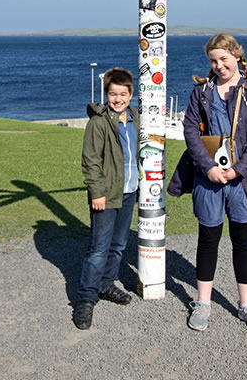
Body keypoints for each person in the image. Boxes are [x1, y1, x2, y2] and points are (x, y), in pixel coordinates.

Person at [168, 34, 247, 333]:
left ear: (236, 57)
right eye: (213, 61)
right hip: (209, 178)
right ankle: (203, 303)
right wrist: (208, 167)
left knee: (243, 242)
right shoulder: (201, 91)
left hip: (245, 180)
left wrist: (238, 169)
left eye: (223, 59)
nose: (218, 65)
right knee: (208, 239)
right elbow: (190, 130)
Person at [74, 67, 139, 330]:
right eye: (113, 94)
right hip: (106, 194)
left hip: (130, 191)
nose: (118, 99)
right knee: (98, 248)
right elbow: (90, 161)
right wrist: (96, 192)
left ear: (131, 94)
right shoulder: (99, 122)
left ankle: (106, 284)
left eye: (123, 94)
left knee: (119, 244)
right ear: (107, 95)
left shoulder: (135, 118)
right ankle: (86, 298)